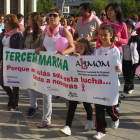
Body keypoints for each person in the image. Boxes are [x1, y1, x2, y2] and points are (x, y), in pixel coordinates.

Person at [35, 8, 74, 128]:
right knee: (46, 92)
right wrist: (40, 48)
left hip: (61, 66)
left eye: (55, 15)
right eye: (50, 15)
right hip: (48, 65)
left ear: (60, 17)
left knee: (65, 92)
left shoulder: (63, 30)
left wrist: (63, 53)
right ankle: (46, 119)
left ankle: (69, 119)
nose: (52, 17)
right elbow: (47, 47)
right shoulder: (46, 31)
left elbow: (72, 47)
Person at [60, 38, 93, 136]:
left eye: (81, 48)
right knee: (72, 106)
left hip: (85, 86)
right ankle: (67, 126)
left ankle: (90, 121)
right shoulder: (72, 57)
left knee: (87, 104)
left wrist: (79, 60)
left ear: (86, 48)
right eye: (77, 47)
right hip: (74, 86)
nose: (78, 49)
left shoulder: (89, 58)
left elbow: (86, 71)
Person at [93, 25, 121, 139]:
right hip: (99, 84)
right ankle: (100, 130)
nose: (103, 37)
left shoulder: (115, 50)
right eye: (101, 34)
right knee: (98, 106)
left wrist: (118, 68)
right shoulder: (97, 50)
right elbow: (93, 65)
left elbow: (119, 66)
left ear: (111, 36)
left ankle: (115, 117)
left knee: (110, 106)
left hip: (111, 84)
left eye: (106, 35)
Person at [0, 14, 23, 111]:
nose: (4, 23)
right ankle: (11, 96)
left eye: (6, 21)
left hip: (14, 62)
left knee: (14, 82)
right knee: (1, 81)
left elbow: (20, 47)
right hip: (4, 61)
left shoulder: (18, 34)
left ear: (11, 23)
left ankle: (15, 102)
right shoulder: (3, 34)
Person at [23, 12, 43, 117]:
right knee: (29, 85)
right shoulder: (26, 32)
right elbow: (24, 45)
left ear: (35, 20)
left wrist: (38, 50)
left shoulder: (40, 33)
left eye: (30, 19)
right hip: (28, 62)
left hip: (37, 63)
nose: (28, 20)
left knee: (37, 85)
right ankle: (33, 105)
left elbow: (42, 47)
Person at [121, 20, 140, 97]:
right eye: (126, 27)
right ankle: (131, 87)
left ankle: (126, 90)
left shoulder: (136, 37)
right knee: (125, 75)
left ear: (132, 28)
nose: (128, 28)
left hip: (134, 60)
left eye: (129, 27)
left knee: (130, 75)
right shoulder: (123, 37)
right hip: (124, 59)